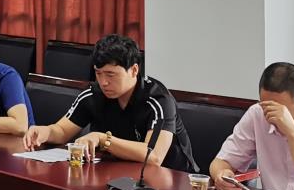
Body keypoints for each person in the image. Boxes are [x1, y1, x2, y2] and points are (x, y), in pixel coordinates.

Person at [24, 35, 196, 173]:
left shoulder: (158, 99)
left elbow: (154, 156)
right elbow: (62, 131)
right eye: (98, 73)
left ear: (134, 70)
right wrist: (45, 132)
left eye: (111, 75)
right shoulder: (93, 94)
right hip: (120, 171)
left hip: (172, 178)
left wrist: (103, 139)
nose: (103, 82)